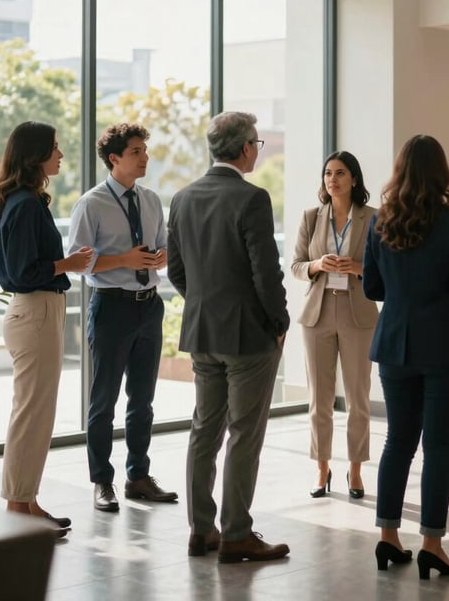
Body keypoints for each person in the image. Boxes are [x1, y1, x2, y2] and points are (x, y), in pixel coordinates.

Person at [167, 111, 290, 563]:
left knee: (204, 429)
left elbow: (176, 271)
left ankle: (202, 530)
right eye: (257, 143)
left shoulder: (182, 197)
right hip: (248, 336)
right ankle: (236, 533)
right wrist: (279, 321)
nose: (258, 150)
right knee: (244, 432)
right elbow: (266, 272)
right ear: (243, 149)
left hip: (202, 330)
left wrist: (205, 302)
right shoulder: (251, 198)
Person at [362, 134, 449, 581]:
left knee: (398, 442)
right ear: (442, 173)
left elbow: (371, 288)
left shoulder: (380, 223)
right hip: (445, 347)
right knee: (438, 448)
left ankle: (388, 537)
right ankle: (432, 545)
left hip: (394, 344)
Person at [0, 121, 94, 539]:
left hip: (36, 312)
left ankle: (27, 500)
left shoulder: (25, 200)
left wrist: (63, 267)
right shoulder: (26, 205)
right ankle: (19, 505)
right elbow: (20, 272)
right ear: (35, 155)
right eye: (54, 147)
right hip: (35, 312)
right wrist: (66, 265)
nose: (62, 154)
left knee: (35, 413)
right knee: (32, 414)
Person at [68, 123, 176, 512]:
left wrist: (161, 257)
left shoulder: (150, 200)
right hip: (111, 305)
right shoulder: (91, 203)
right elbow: (78, 263)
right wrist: (124, 260)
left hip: (149, 305)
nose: (144, 157)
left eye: (145, 150)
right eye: (136, 151)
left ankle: (138, 476)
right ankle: (101, 481)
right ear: (114, 158)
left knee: (143, 400)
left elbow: (164, 246)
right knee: (103, 400)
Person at [291, 151, 378, 499]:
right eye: (328, 173)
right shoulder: (311, 217)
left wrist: (358, 267)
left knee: (358, 398)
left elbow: (385, 269)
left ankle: (355, 470)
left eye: (340, 173)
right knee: (319, 399)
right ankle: (322, 468)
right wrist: (317, 265)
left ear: (354, 179)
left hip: (359, 314)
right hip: (318, 314)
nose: (332, 179)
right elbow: (296, 265)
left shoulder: (373, 218)